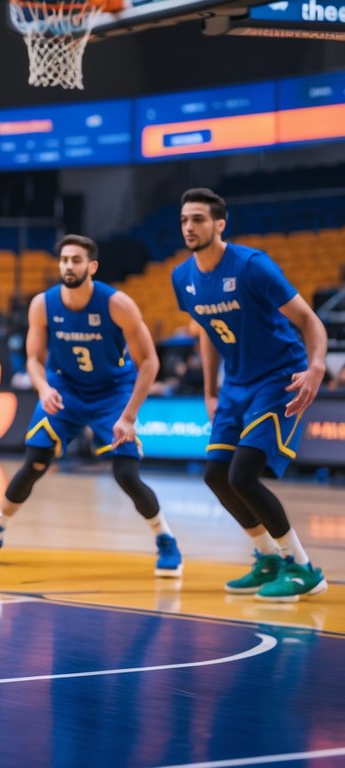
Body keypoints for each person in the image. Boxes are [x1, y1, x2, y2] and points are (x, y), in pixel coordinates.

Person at [0, 235, 180, 576]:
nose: (69, 265)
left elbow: (150, 363)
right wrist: (43, 389)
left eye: (76, 260)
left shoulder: (117, 304)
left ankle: (165, 539)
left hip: (112, 393)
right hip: (64, 390)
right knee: (35, 463)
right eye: (64, 259)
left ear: (92, 266)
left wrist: (129, 416)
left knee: (126, 475)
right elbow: (34, 360)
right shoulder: (43, 304)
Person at [171, 187, 329, 602]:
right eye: (184, 219)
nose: (189, 227)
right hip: (235, 386)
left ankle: (303, 569)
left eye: (198, 219)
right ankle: (269, 559)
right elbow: (207, 333)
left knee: (242, 474)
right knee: (215, 475)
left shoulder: (252, 266)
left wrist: (316, 367)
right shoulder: (182, 278)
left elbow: (310, 320)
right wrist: (210, 391)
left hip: (279, 378)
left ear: (220, 224)